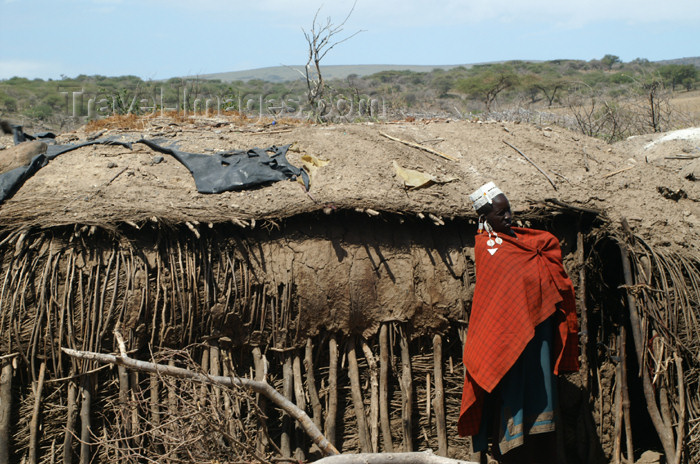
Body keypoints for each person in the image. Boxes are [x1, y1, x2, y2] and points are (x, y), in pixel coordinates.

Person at [458, 182, 579, 464]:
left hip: (539, 337)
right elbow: (497, 303)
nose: (509, 217)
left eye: (509, 210)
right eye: (501, 214)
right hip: (509, 343)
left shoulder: (530, 243)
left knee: (543, 395)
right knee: (513, 396)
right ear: (485, 219)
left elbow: (547, 273)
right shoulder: (489, 249)